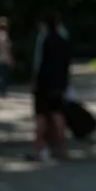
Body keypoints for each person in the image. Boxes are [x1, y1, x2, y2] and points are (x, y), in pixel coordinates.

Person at [30, 11, 71, 161]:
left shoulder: (44, 39)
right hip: (59, 84)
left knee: (41, 116)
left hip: (44, 84)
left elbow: (38, 63)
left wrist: (34, 82)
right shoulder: (63, 40)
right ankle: (62, 147)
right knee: (58, 115)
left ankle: (38, 147)